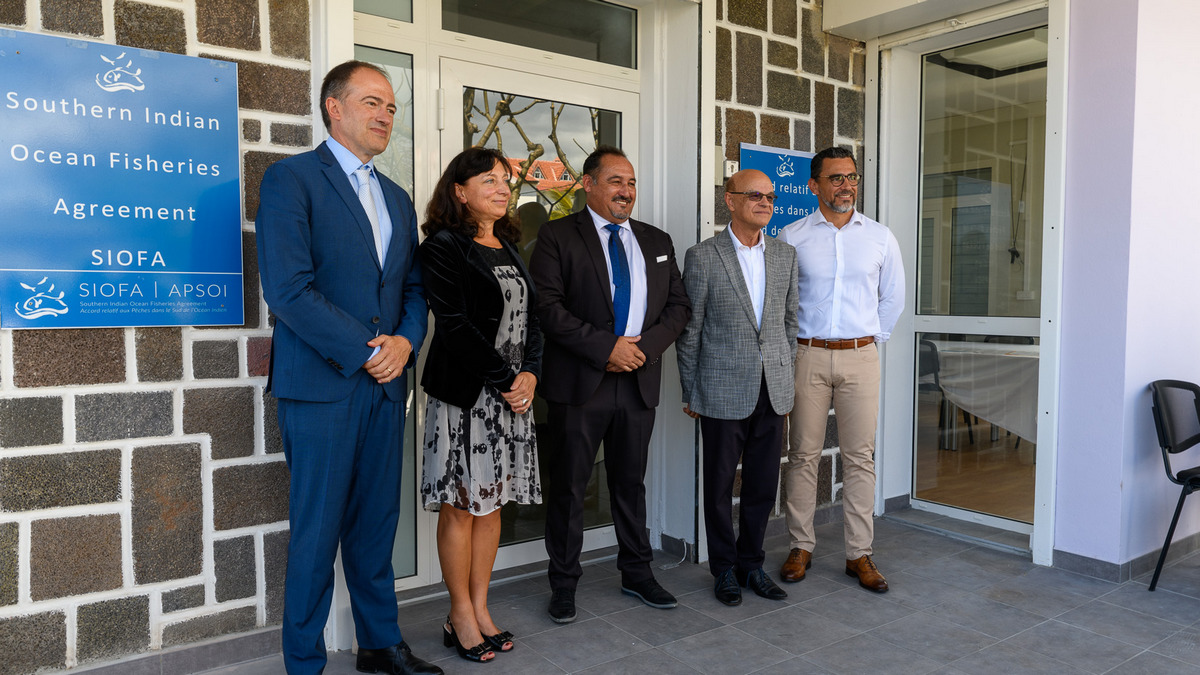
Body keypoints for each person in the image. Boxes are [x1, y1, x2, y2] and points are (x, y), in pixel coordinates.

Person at [255, 61, 440, 675]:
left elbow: (414, 289)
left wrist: (405, 344)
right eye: (372, 102)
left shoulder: (396, 197)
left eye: (391, 107)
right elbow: (287, 290)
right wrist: (369, 350)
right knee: (315, 536)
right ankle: (304, 663)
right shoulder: (292, 180)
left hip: (386, 389)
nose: (386, 115)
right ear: (333, 107)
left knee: (374, 527)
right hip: (323, 389)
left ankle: (380, 646)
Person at [529, 145, 691, 622]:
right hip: (582, 383)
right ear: (589, 184)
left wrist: (644, 348)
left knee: (629, 484)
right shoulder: (558, 237)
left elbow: (679, 307)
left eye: (632, 183)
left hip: (639, 381)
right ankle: (563, 583)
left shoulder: (657, 240)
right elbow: (548, 308)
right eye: (616, 181)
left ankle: (637, 573)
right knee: (570, 487)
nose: (626, 191)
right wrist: (607, 348)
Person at [418, 147, 543, 663]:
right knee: (463, 507)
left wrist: (530, 373)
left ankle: (481, 608)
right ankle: (459, 614)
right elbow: (454, 326)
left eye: (505, 180)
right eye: (488, 179)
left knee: (492, 508)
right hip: (468, 397)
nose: (501, 188)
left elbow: (533, 319)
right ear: (459, 190)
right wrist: (506, 379)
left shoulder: (509, 245)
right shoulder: (443, 246)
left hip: (513, 398)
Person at [777, 146, 905, 593]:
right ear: (814, 185)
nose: (846, 185)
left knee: (860, 458)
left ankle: (859, 553)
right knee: (802, 455)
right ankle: (800, 545)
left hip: (860, 356)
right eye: (835, 178)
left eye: (851, 177)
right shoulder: (792, 236)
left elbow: (893, 298)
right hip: (807, 355)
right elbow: (783, 300)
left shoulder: (880, 236)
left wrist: (868, 342)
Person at [677, 169, 799, 606]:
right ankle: (724, 569)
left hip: (774, 390)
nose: (764, 202)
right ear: (729, 201)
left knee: (763, 484)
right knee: (719, 485)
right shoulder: (704, 255)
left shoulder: (785, 255)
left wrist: (787, 377)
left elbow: (789, 324)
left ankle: (752, 565)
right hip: (721, 388)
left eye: (770, 196)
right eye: (754, 195)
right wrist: (690, 389)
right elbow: (692, 329)